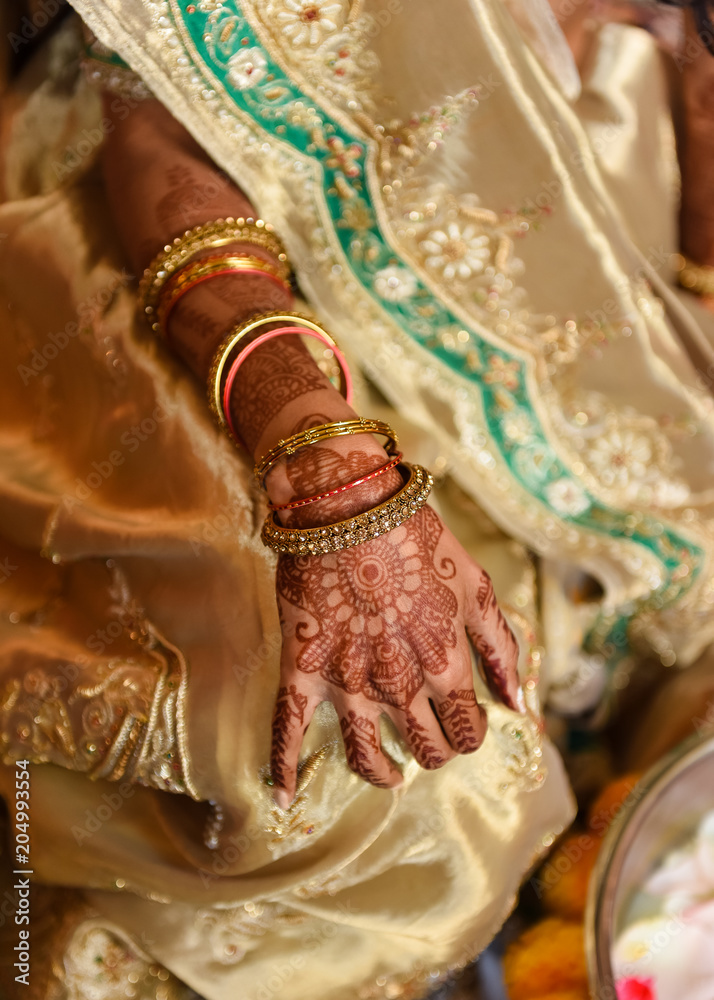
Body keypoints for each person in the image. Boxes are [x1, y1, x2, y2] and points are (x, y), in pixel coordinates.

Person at [0, 1, 712, 997]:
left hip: (540, 410)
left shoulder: (665, 60)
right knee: (406, 780)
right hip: (193, 237)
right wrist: (325, 464)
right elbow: (154, 83)